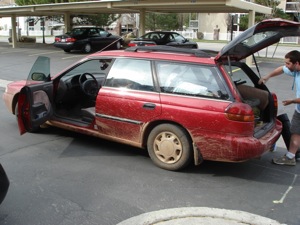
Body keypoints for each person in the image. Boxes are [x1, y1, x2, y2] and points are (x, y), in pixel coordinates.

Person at [259, 50, 300, 166]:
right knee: (296, 133)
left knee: (296, 132)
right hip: (299, 109)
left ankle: (290, 156)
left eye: (288, 63)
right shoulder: (296, 71)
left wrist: (292, 101)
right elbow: (281, 69)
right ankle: (291, 156)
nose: (286, 66)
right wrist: (267, 77)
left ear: (296, 63)